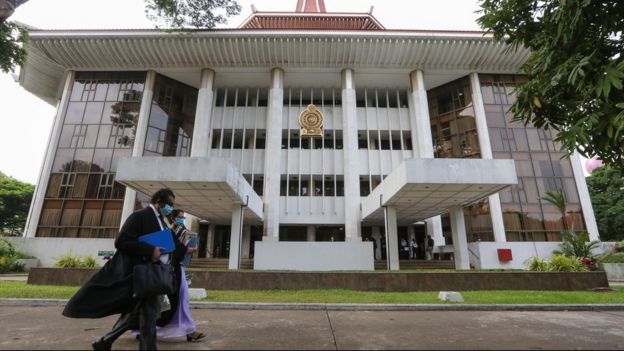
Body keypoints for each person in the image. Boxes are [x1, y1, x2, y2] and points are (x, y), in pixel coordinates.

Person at [62, 188, 187, 351]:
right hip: (139, 274)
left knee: (142, 313)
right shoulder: (139, 217)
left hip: (152, 275)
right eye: (169, 204)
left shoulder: (161, 222)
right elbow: (122, 241)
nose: (170, 207)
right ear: (158, 202)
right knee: (148, 312)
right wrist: (150, 251)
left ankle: (105, 341)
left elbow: (171, 244)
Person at [154, 209, 205, 342]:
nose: (182, 219)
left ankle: (189, 330)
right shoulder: (168, 230)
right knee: (178, 299)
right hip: (169, 269)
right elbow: (176, 248)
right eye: (180, 217)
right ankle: (189, 331)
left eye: (183, 217)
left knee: (180, 299)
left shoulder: (177, 231)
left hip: (175, 268)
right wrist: (190, 249)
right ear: (172, 218)